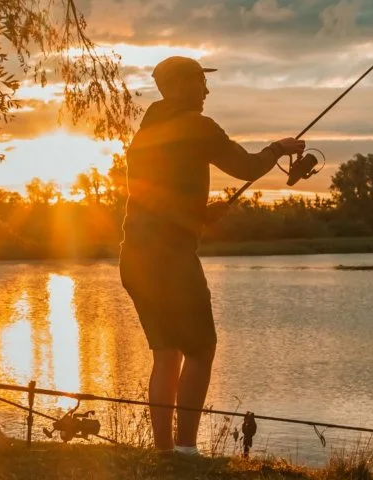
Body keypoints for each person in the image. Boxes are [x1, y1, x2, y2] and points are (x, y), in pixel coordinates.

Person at [119, 55, 304, 455]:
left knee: (166, 354)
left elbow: (157, 201)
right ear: (182, 85)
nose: (206, 91)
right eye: (201, 82)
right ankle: (186, 450)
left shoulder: (146, 133)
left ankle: (165, 451)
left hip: (134, 258)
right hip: (171, 259)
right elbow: (247, 167)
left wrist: (201, 215)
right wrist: (279, 147)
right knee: (201, 350)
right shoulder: (197, 126)